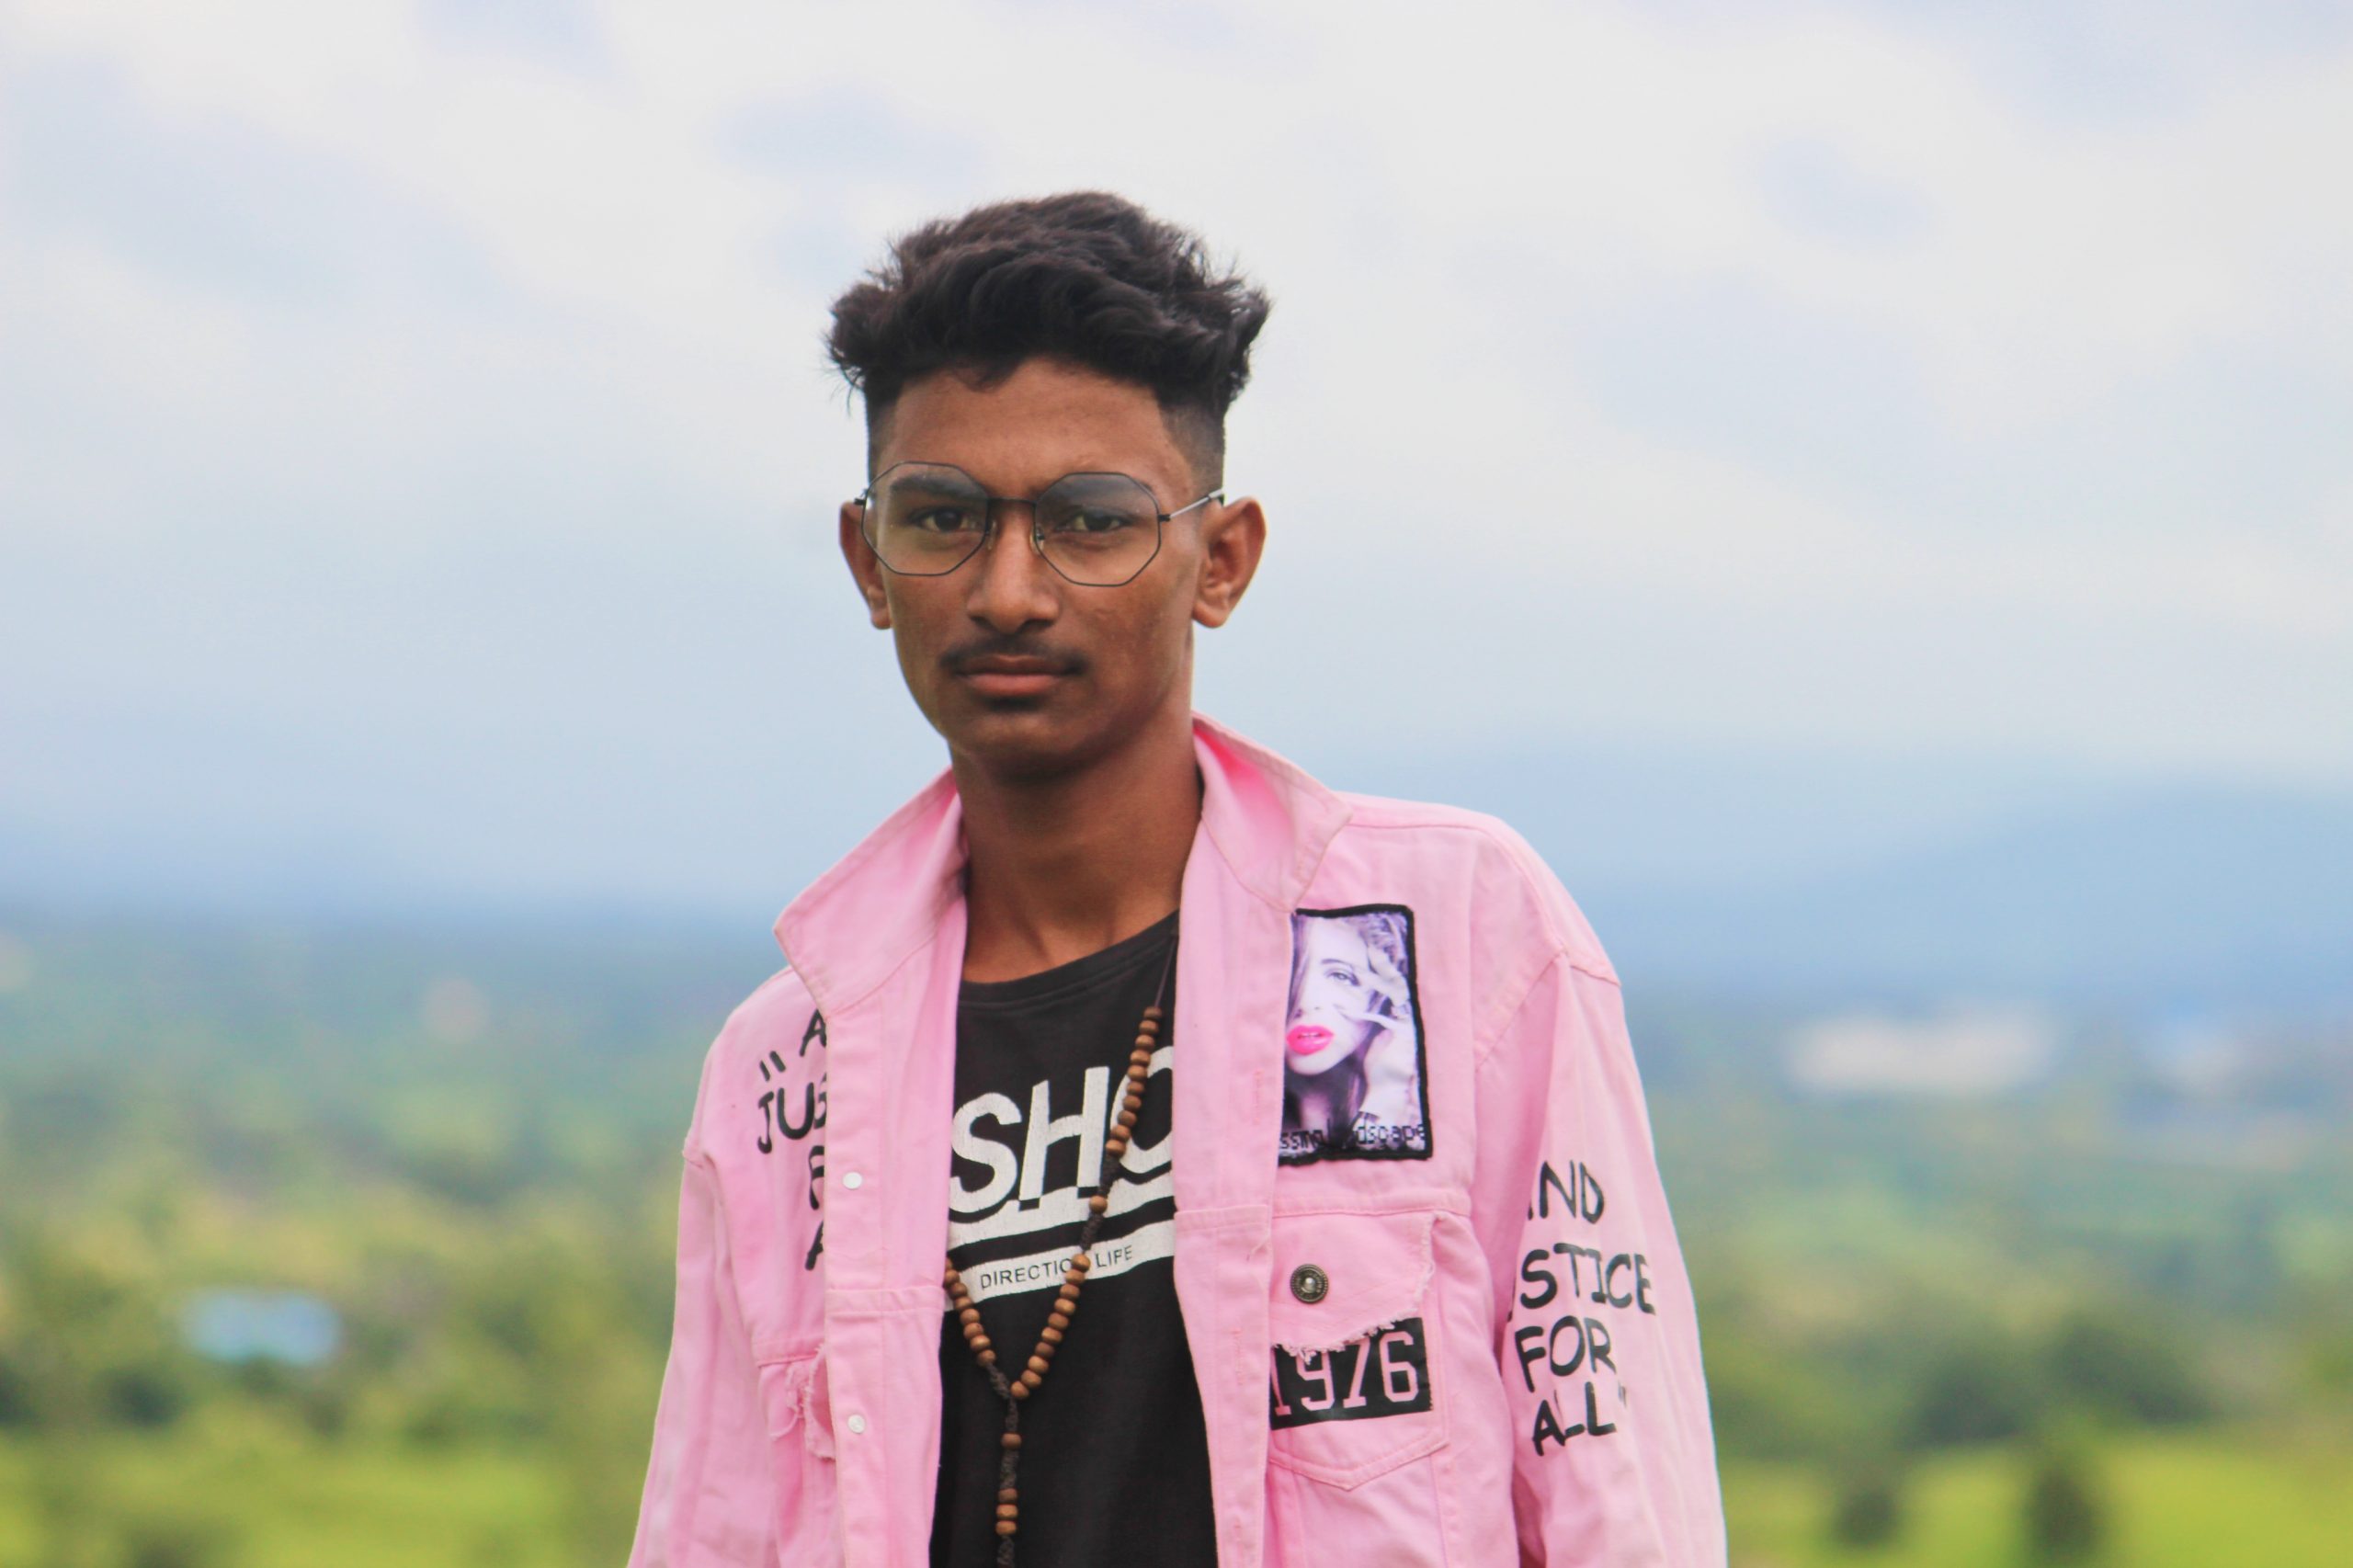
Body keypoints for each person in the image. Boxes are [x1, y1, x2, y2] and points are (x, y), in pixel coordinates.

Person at [626, 191, 1726, 1568]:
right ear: (868, 560)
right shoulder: (788, 1070)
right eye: (943, 516)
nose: (1010, 588)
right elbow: (711, 1529)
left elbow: (1621, 1497)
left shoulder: (1442, 946)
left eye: (1092, 521)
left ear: (1222, 560)